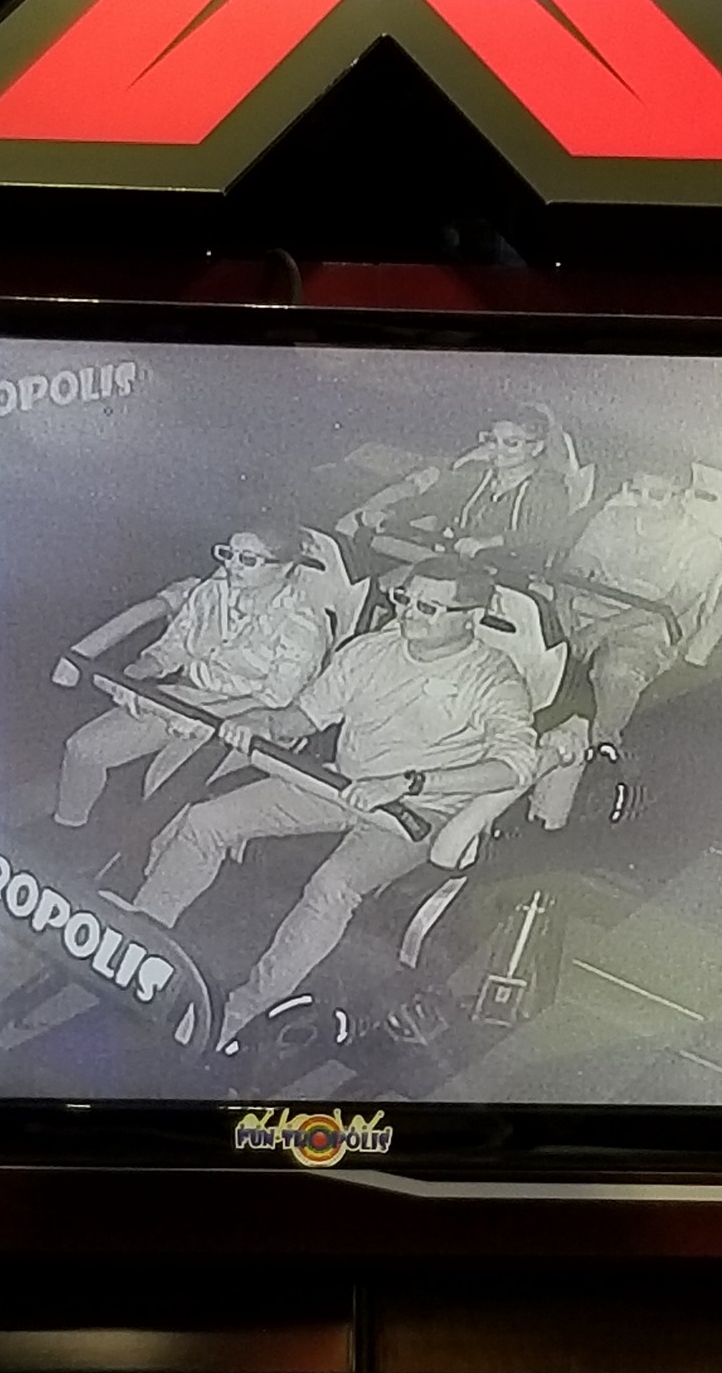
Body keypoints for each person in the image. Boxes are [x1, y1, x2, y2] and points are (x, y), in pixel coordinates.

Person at [129, 553, 541, 1050]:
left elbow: (516, 765)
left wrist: (411, 782)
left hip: (417, 811)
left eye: (429, 608)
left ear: (471, 617)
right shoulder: (370, 650)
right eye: (405, 599)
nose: (408, 613)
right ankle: (140, 938)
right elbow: (306, 714)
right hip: (343, 784)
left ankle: (245, 1007)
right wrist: (264, 723)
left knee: (334, 884)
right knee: (205, 821)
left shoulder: (494, 678)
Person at [52, 526, 330, 828]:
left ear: (284, 568)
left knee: (164, 784)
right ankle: (68, 827)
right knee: (84, 749)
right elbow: (174, 648)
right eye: (229, 554)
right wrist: (135, 675)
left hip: (250, 719)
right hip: (187, 697)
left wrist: (203, 718)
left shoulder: (302, 625)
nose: (232, 565)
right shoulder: (212, 592)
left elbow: (276, 701)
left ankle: (151, 854)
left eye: (248, 559)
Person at [555, 471, 722, 751]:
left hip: (648, 630)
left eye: (656, 495)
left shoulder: (704, 544)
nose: (644, 502)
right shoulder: (612, 519)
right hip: (588, 611)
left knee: (618, 672)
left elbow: (673, 605)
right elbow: (575, 568)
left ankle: (604, 747)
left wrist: (601, 629)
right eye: (636, 492)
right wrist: (564, 608)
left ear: (683, 494)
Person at [337, 405, 591, 561]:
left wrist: (487, 543)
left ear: (536, 448)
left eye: (511, 443)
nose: (497, 450)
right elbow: (436, 501)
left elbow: (540, 535)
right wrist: (390, 513)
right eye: (492, 440)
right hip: (455, 563)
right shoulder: (482, 476)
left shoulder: (548, 489)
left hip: (507, 579)